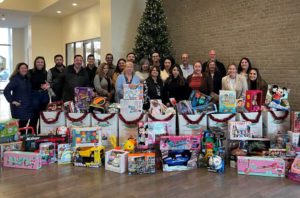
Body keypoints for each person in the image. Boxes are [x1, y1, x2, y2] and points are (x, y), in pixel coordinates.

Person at [4, 63, 33, 129]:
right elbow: (6, 90)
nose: (24, 69)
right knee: (19, 126)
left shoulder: (27, 79)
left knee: (24, 125)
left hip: (27, 106)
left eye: (25, 68)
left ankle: (22, 138)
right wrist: (12, 101)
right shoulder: (16, 79)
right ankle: (19, 139)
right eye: (22, 68)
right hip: (19, 106)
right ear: (18, 70)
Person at [28, 56, 50, 133]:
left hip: (44, 96)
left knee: (43, 118)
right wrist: (40, 86)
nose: (40, 63)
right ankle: (31, 137)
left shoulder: (46, 72)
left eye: (42, 62)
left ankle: (41, 135)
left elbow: (48, 83)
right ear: (35, 63)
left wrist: (47, 85)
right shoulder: (30, 72)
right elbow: (29, 84)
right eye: (38, 62)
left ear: (44, 64)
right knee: (34, 117)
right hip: (34, 96)